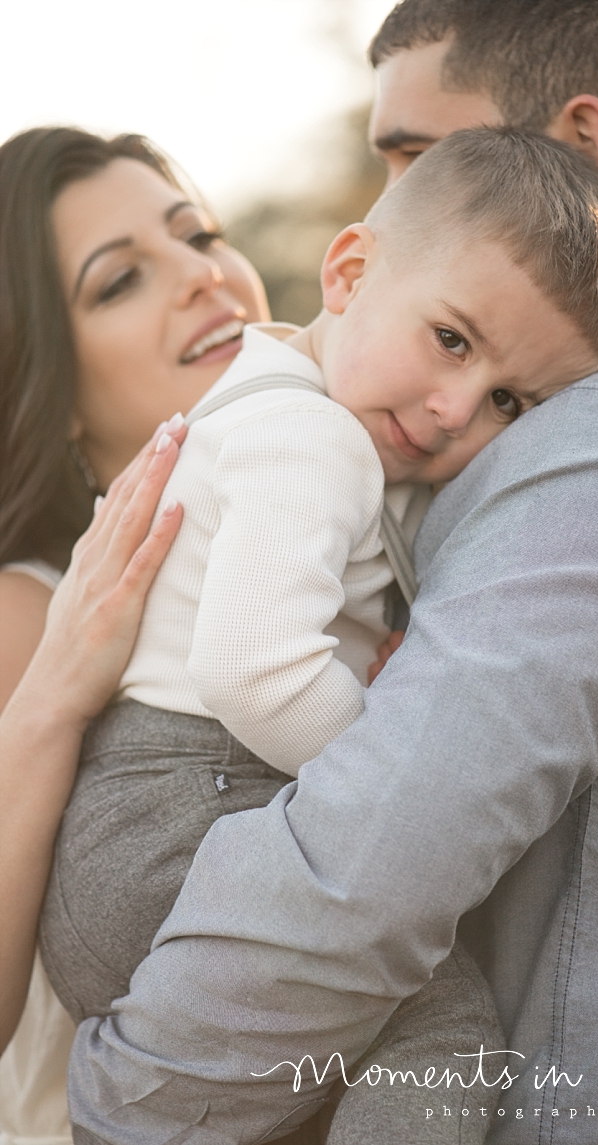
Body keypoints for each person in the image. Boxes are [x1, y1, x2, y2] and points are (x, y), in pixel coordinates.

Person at [62, 0, 598, 1142]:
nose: (385, 197)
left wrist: (109, 1100)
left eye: (418, 158)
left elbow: (363, 866)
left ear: (575, 155)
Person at [38, 127, 598, 1145]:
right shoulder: (314, 438)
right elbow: (256, 672)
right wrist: (401, 764)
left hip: (143, 832)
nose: (454, 408)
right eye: (449, 338)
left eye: (507, 400)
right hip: (184, 807)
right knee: (446, 1028)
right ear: (349, 271)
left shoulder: (283, 402)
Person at [0, 126, 268, 1144]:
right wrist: (56, 694)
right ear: (51, 390)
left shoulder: (323, 517)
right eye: (118, 283)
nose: (203, 276)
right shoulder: (26, 611)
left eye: (198, 233)